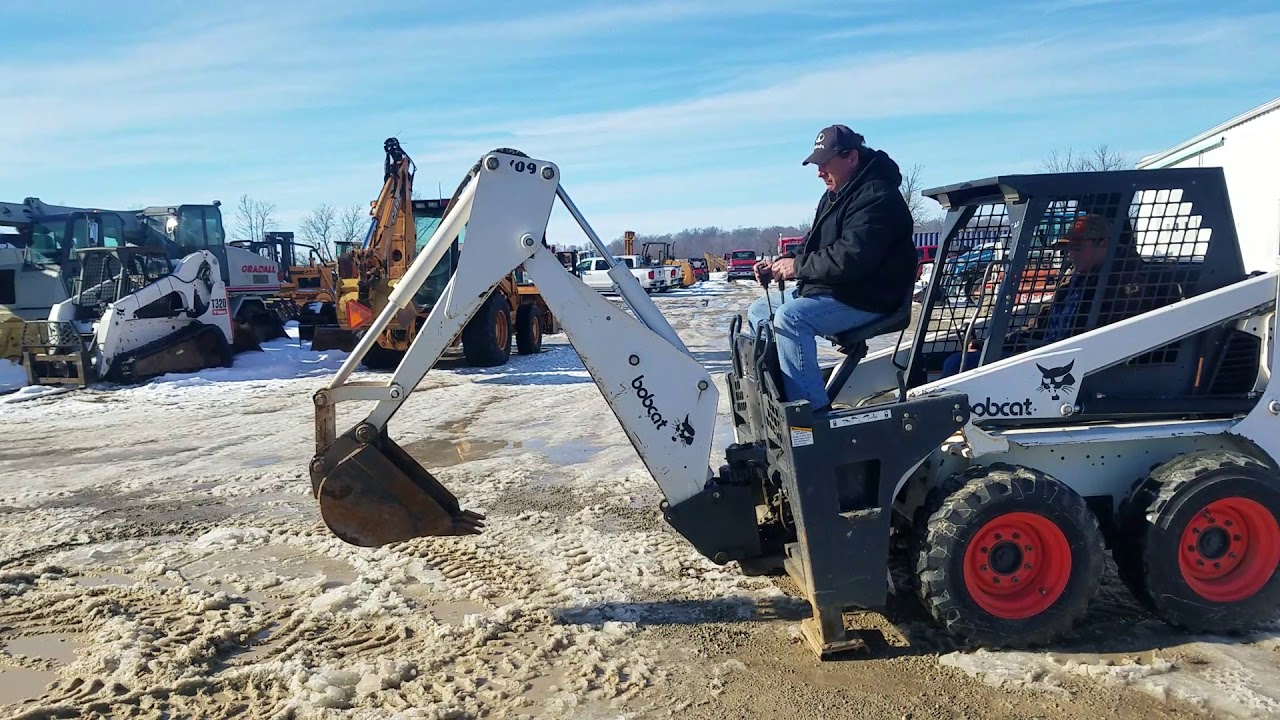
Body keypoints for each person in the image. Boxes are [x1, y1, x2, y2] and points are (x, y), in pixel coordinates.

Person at [746, 124, 917, 412]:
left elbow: (850, 259)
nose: (819, 172)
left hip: (869, 297)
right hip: (838, 290)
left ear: (851, 157)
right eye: (817, 164)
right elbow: (816, 245)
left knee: (791, 318)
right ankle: (776, 401)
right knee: (759, 311)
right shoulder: (835, 195)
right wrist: (781, 262)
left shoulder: (877, 196)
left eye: (825, 163)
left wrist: (797, 267)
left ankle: (810, 417)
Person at [940, 213, 1157, 376]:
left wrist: (1030, 350)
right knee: (963, 359)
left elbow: (1099, 340)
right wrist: (998, 344)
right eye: (1068, 248)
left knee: (957, 365)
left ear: (1104, 244)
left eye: (1077, 247)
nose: (1070, 255)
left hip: (1071, 368)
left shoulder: (1125, 283)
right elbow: (1041, 324)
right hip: (1045, 356)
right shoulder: (1075, 279)